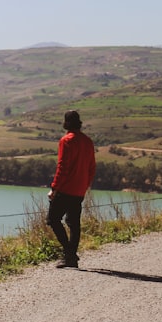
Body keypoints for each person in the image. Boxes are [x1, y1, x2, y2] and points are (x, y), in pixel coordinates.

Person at [47, 110, 97, 268]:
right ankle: (71, 257)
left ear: (66, 123)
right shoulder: (87, 141)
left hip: (66, 189)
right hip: (79, 190)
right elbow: (91, 167)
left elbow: (62, 168)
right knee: (74, 223)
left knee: (53, 220)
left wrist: (54, 188)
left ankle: (70, 254)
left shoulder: (66, 140)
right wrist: (85, 185)